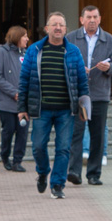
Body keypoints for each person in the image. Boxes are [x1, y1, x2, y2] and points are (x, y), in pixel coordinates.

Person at [18, 12, 90, 200]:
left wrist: (84, 107)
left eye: (61, 25)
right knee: (38, 146)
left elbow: (82, 82)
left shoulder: (73, 51)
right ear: (47, 28)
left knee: (64, 148)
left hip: (66, 110)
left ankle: (57, 184)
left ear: (66, 29)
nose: (58, 28)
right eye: (54, 24)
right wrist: (21, 108)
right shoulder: (34, 50)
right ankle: (43, 171)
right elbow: (24, 80)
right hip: (41, 109)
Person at [66, 5, 112, 186]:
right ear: (81, 19)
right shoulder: (71, 38)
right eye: (88, 17)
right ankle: (74, 172)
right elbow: (62, 62)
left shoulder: (110, 40)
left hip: (99, 95)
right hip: (78, 94)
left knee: (97, 136)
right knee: (76, 134)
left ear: (100, 19)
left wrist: (109, 68)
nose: (92, 20)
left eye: (95, 17)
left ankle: (94, 174)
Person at [0, 26, 30, 172]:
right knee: (9, 129)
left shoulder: (26, 53)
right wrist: (14, 92)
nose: (27, 39)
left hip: (23, 101)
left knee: (23, 130)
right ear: (16, 37)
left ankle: (17, 161)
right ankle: (5, 155)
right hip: (5, 100)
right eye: (24, 36)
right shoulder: (2, 52)